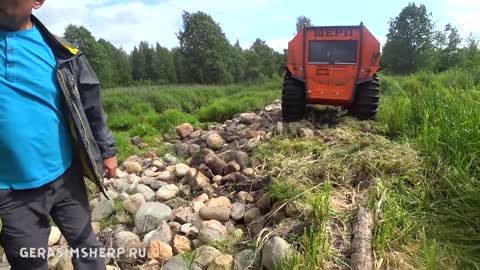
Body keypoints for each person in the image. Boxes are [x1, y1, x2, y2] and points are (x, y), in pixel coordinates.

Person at [0, 1, 117, 269]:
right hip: (9, 191)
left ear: (37, 2)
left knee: (87, 249)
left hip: (66, 177)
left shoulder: (64, 53)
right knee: (29, 263)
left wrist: (107, 151)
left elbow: (92, 106)